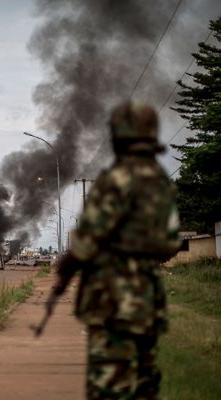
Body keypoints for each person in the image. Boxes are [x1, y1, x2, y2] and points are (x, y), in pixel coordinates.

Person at [47, 101, 181, 399]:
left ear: (119, 135)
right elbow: (171, 243)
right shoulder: (162, 184)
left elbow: (86, 242)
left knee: (109, 386)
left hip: (112, 302)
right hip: (147, 303)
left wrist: (65, 272)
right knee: (144, 385)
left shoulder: (116, 180)